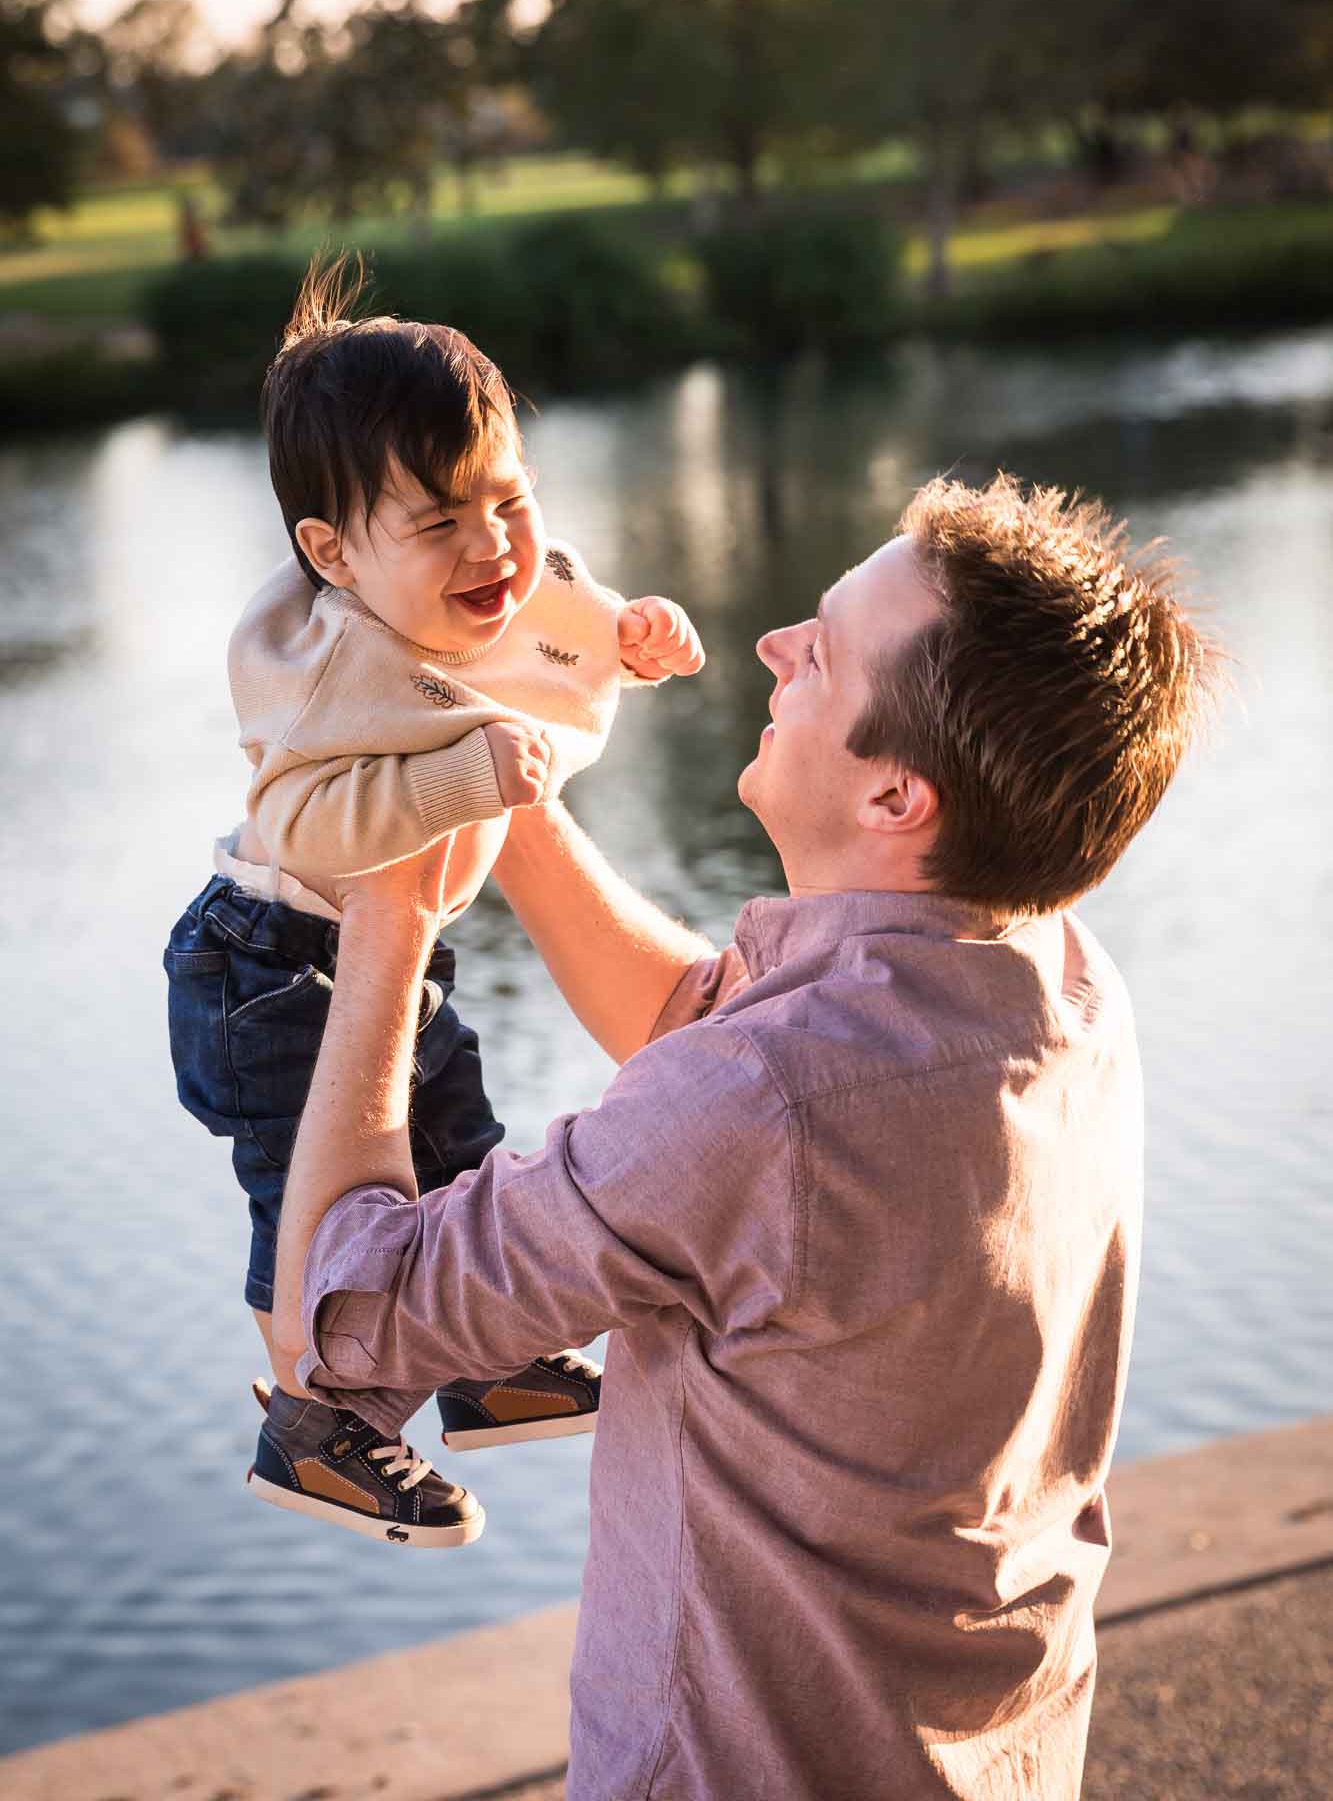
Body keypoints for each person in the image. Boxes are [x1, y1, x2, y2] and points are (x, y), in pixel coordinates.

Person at [273, 475, 1223, 1798]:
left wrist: (387, 930)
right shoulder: (1054, 977)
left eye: (822, 649)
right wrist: (500, 796)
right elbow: (703, 1037)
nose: (774, 644)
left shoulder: (765, 1106)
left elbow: (344, 1320)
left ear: (897, 797)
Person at [163, 255, 704, 1549]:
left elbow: (555, 625)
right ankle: (312, 1425)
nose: (493, 547)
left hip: (390, 961)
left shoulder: (493, 579)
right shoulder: (329, 665)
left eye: (506, 500)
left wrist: (631, 636)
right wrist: (466, 772)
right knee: (310, 1190)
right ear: (331, 554)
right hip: (269, 964)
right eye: (441, 523)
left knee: (460, 1159)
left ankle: (485, 1366)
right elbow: (306, 824)